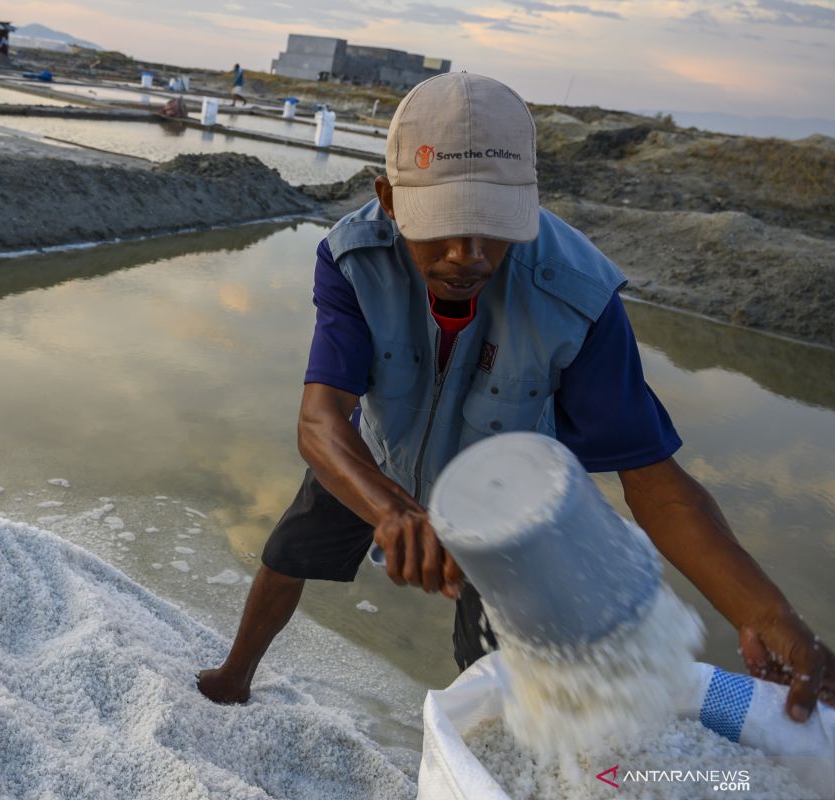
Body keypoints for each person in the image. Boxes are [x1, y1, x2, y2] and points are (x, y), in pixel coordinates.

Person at [196, 72, 834, 722]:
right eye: (441, 227)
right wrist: (393, 510)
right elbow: (320, 419)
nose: (467, 255)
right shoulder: (353, 259)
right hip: (375, 460)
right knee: (286, 556)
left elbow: (654, 481)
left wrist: (766, 612)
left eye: (494, 229)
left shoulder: (577, 298)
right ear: (389, 199)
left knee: (505, 663)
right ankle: (235, 676)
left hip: (509, 500)